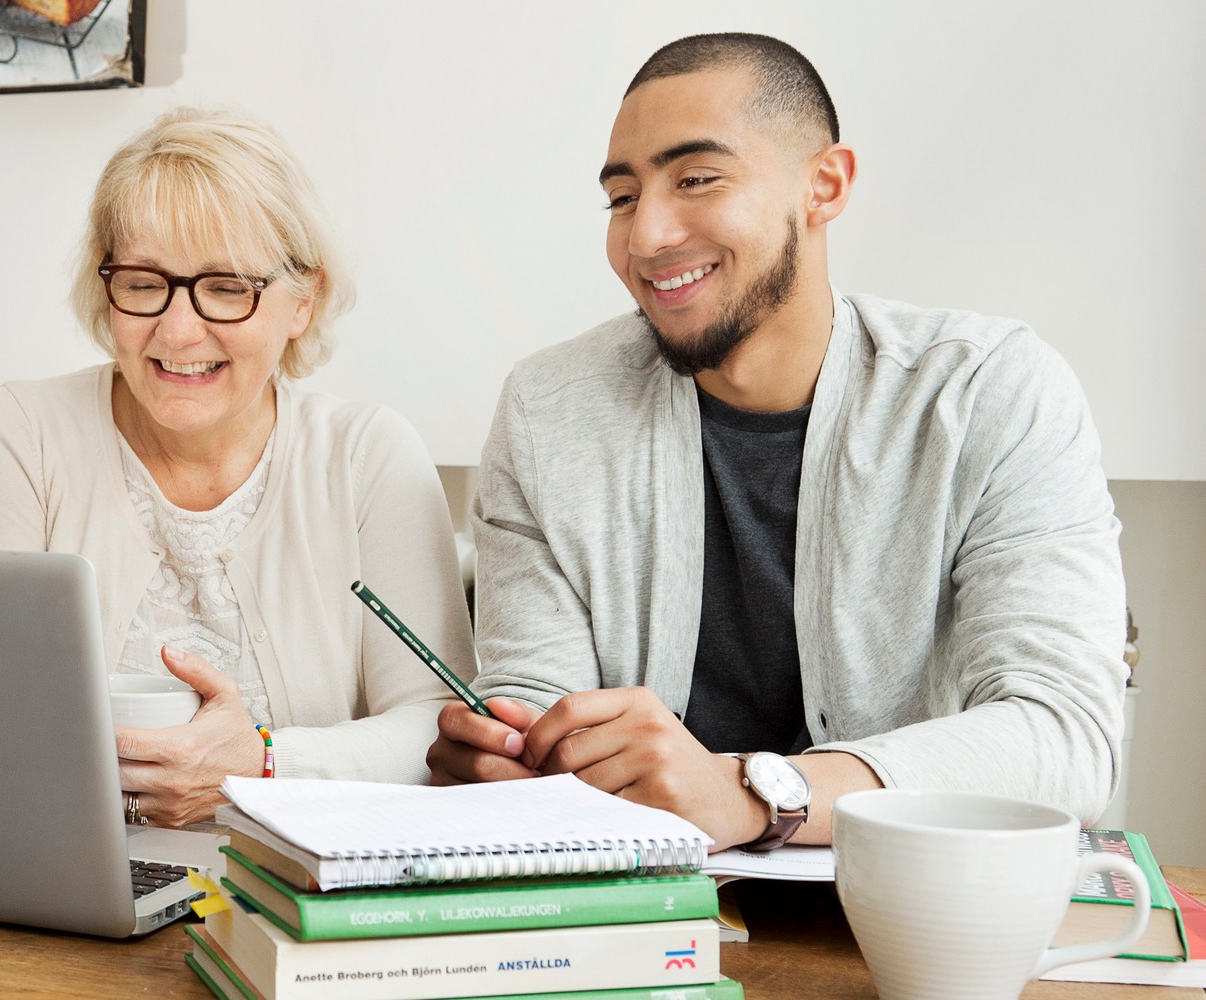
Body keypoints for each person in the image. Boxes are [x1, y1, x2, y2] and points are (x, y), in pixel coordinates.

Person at [427, 33, 1125, 850]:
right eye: (622, 197)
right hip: (642, 921)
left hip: (916, 913)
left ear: (824, 186)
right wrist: (511, 754)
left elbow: (1065, 736)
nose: (646, 236)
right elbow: (537, 699)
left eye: (696, 179)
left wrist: (756, 793)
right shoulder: (546, 410)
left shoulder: (989, 392)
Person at [0, 107, 473, 828]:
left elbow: (436, 722)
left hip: (296, 895)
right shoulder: (17, 436)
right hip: (60, 887)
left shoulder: (369, 454)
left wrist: (263, 762)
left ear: (301, 302)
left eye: (226, 287)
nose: (177, 330)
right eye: (143, 281)